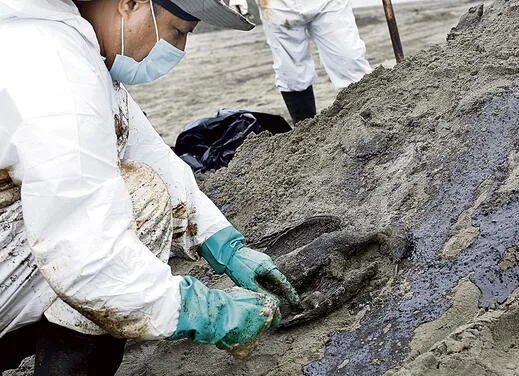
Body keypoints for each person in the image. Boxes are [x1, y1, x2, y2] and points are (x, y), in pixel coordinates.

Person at [0, 0, 300, 374]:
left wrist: (222, 242)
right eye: (178, 32)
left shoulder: (63, 37)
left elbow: (141, 145)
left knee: (140, 192)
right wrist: (200, 310)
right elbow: (88, 254)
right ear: (130, 4)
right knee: (139, 204)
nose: (178, 50)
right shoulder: (53, 65)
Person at [229, 0, 373, 124]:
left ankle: (370, 119)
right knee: (291, 72)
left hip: (328, 3)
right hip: (277, 6)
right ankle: (306, 133)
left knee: (349, 58)